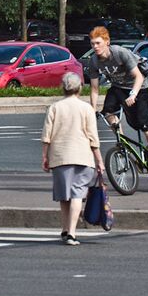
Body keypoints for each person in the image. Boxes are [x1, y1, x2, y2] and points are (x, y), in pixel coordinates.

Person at [88, 26, 148, 177]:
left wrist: (133, 95)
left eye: (98, 43)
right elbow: (94, 88)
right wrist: (92, 109)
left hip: (138, 87)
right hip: (118, 87)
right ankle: (122, 142)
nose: (95, 47)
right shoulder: (94, 61)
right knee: (108, 112)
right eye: (92, 44)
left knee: (144, 125)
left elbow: (139, 76)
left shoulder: (120, 53)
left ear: (107, 42)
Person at [41, 72, 105, 246]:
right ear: (80, 88)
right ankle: (72, 233)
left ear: (63, 88)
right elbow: (93, 137)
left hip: (60, 157)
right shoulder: (86, 109)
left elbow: (47, 135)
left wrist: (45, 156)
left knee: (64, 196)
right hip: (83, 157)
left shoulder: (55, 107)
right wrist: (99, 161)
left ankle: (64, 229)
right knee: (77, 194)